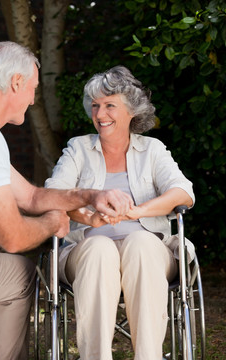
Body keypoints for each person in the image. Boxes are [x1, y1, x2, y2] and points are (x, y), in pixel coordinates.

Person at [0, 42, 133, 360]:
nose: (33, 98)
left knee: (20, 273)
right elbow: (11, 236)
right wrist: (51, 223)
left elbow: (31, 196)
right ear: (16, 82)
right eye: (33, 88)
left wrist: (91, 195)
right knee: (23, 276)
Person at [45, 65, 196, 360]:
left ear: (131, 112)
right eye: (96, 105)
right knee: (100, 248)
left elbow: (183, 193)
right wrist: (89, 218)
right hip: (85, 251)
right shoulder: (78, 149)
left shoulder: (153, 150)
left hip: (149, 253)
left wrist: (136, 212)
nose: (100, 114)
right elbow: (54, 195)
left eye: (110, 106)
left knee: (141, 243)